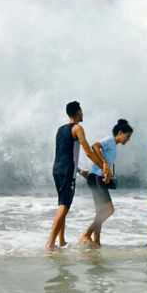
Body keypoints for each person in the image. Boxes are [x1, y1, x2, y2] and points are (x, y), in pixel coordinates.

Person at [46, 101, 110, 250]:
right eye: (81, 110)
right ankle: (50, 244)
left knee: (62, 204)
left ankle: (61, 240)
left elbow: (63, 152)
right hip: (67, 170)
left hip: (57, 169)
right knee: (64, 206)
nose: (83, 113)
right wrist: (103, 165)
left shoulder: (60, 129)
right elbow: (88, 151)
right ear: (77, 113)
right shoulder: (78, 128)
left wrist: (79, 169)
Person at [79, 119, 134, 247]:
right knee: (109, 210)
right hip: (98, 178)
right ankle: (86, 235)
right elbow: (95, 146)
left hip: (95, 178)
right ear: (120, 133)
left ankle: (97, 242)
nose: (128, 139)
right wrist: (104, 163)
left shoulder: (113, 146)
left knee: (100, 212)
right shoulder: (110, 140)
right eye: (127, 136)